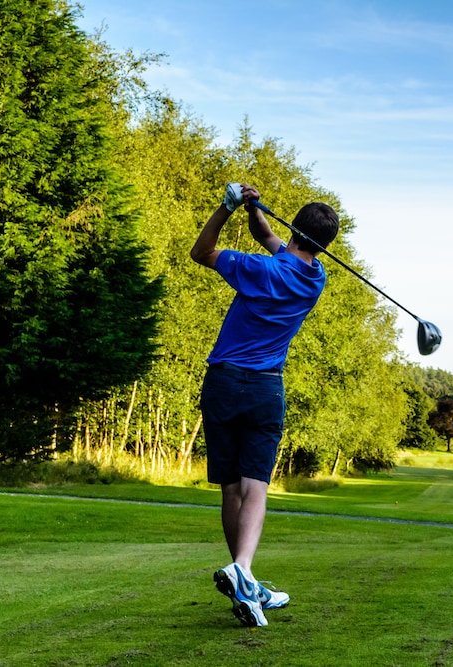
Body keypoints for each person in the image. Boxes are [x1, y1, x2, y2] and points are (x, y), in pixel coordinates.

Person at [190, 183, 339, 628]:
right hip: (264, 389)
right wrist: (253, 209)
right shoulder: (315, 279)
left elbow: (202, 252)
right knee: (255, 485)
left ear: (294, 228)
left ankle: (244, 575)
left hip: (223, 382)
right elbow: (269, 238)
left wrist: (227, 207)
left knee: (231, 488)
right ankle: (245, 575)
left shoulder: (257, 269)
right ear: (323, 245)